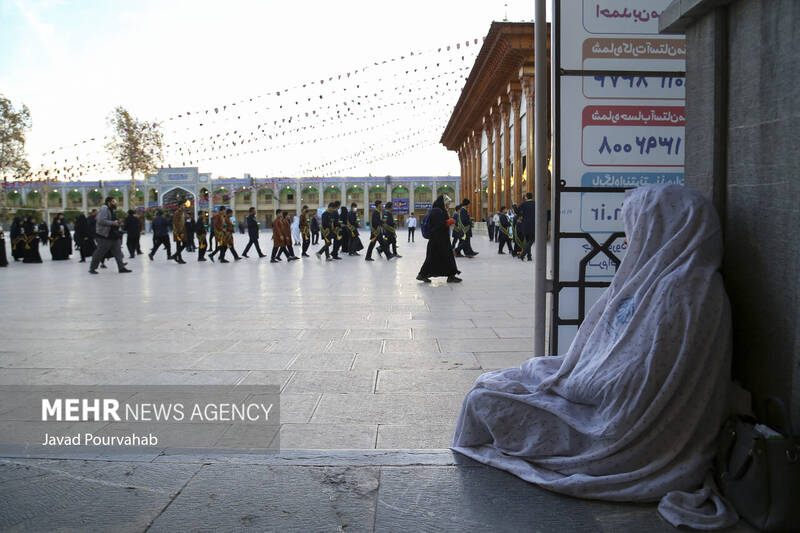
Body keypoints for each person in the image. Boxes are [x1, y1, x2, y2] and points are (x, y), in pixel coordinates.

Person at [451, 184, 743, 528]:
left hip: (615, 428)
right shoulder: (659, 279)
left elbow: (634, 385)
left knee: (485, 400)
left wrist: (568, 384)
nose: (630, 236)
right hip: (597, 395)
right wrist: (564, 375)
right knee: (505, 381)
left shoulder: (683, 293)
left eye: (637, 225)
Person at [417, 195, 461, 283]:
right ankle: (422, 275)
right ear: (443, 203)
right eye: (447, 202)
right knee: (432, 258)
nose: (449, 204)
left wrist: (447, 222)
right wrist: (448, 222)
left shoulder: (441, 210)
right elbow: (437, 225)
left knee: (446, 257)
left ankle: (451, 275)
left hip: (441, 239)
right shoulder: (437, 211)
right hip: (437, 240)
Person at [89, 196, 131, 274]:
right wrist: (113, 223)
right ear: (109, 202)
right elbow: (101, 220)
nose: (115, 203)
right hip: (105, 236)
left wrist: (117, 222)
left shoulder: (110, 210)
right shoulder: (104, 209)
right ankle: (92, 268)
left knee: (118, 252)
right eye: (114, 202)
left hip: (113, 235)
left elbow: (110, 220)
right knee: (100, 252)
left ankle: (121, 268)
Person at [518, 192, 535, 261]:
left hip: (525, 225)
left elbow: (517, 211)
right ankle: (525, 255)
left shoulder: (523, 204)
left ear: (526, 197)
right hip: (533, 225)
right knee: (531, 240)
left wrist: (514, 206)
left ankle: (528, 256)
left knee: (528, 240)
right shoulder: (535, 203)